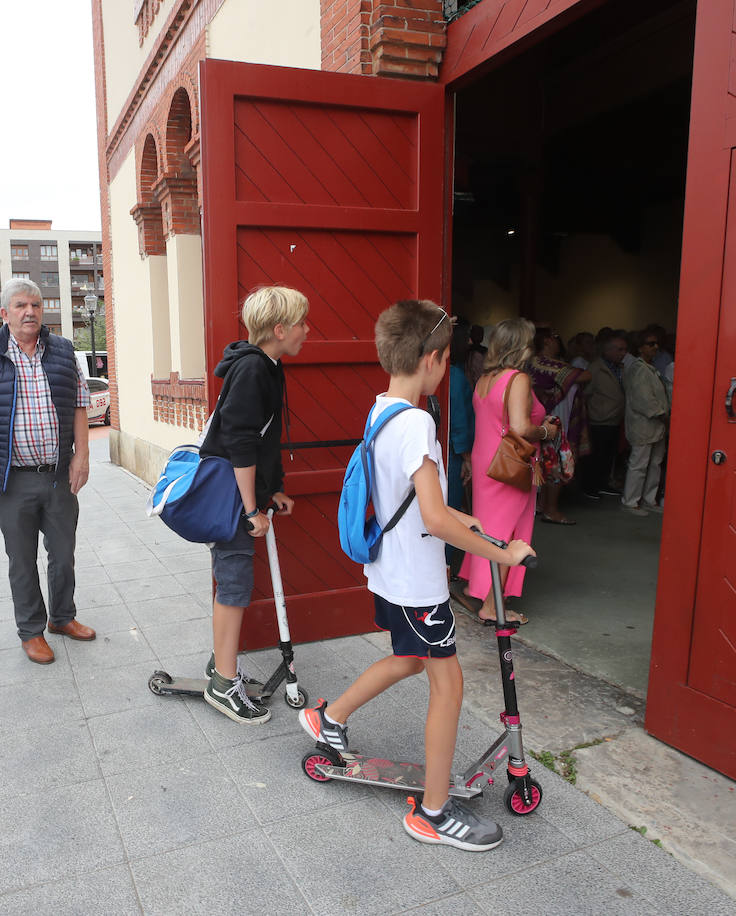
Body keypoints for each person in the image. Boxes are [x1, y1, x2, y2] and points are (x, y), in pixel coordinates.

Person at [300, 300, 534, 851]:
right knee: (448, 685)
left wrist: (465, 518)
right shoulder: (418, 421)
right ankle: (432, 812)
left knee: (409, 657)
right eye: (446, 358)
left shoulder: (381, 408)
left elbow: (411, 498)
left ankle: (328, 718)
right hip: (416, 580)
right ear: (432, 359)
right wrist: (503, 554)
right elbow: (431, 516)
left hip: (388, 571)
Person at [0, 278, 96, 666]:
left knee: (63, 554)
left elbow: (79, 406)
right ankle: (31, 631)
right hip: (11, 477)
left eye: (36, 305)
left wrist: (81, 456)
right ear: (4, 313)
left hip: (57, 474)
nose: (30, 312)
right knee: (21, 559)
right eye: (20, 306)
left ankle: (63, 618)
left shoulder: (62, 351)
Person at [199, 285, 309, 724]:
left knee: (233, 583)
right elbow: (239, 443)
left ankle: (219, 664)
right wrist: (251, 510)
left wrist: (273, 490)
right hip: (229, 497)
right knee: (233, 586)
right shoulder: (254, 370)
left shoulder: (267, 366)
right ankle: (224, 684)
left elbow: (265, 441)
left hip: (239, 492)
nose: (307, 330)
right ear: (280, 329)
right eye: (301, 323)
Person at [456, 318, 559, 626]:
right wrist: (546, 431)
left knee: (488, 530)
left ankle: (478, 588)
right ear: (521, 347)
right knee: (507, 535)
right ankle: (491, 606)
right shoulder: (518, 379)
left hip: (486, 462)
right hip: (509, 467)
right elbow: (520, 428)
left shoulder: (484, 379)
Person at [528, 327, 590, 525]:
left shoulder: (548, 365)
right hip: (551, 419)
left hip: (549, 417)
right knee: (553, 462)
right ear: (546, 341)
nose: (559, 342)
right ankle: (550, 509)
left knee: (546, 461)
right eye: (555, 337)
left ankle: (542, 505)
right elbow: (584, 376)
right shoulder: (541, 363)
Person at [621, 331, 670, 516]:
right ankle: (631, 501)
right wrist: (661, 414)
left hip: (657, 425)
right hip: (644, 424)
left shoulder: (650, 368)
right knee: (639, 463)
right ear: (640, 347)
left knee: (655, 463)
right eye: (651, 343)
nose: (655, 347)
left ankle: (649, 499)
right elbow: (643, 399)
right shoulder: (638, 369)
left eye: (656, 343)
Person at [445, 323, 475, 576]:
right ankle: (444, 568)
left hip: (436, 451)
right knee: (450, 509)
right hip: (450, 454)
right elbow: (460, 421)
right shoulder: (454, 375)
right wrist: (467, 457)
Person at [583, 331, 627, 499]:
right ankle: (589, 487)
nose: (623, 354)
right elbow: (585, 393)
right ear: (608, 351)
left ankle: (602, 484)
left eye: (625, 350)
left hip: (615, 419)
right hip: (599, 420)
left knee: (608, 456)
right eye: (620, 350)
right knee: (596, 456)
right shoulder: (595, 368)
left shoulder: (620, 368)